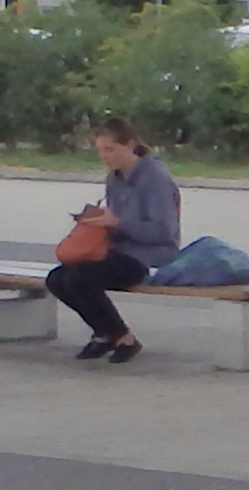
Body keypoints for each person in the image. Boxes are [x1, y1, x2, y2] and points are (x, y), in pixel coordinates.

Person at [57, 116, 180, 365]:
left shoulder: (155, 177)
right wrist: (94, 223)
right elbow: (114, 221)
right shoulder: (114, 178)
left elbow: (163, 232)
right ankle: (104, 334)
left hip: (151, 256)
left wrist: (117, 223)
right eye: (100, 151)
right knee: (57, 279)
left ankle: (124, 338)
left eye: (110, 149)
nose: (105, 157)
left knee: (80, 279)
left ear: (130, 145)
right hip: (119, 250)